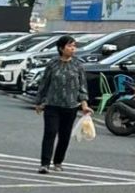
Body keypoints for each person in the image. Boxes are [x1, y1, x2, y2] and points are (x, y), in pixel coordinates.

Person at [34, 35, 92, 174]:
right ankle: (45, 164)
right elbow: (44, 83)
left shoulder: (78, 65)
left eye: (74, 46)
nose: (73, 49)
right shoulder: (52, 64)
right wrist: (39, 102)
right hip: (52, 105)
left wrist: (84, 105)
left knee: (64, 135)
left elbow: (82, 86)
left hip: (70, 106)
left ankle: (58, 161)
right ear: (61, 48)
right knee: (50, 132)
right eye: (69, 46)